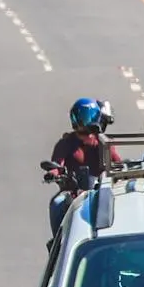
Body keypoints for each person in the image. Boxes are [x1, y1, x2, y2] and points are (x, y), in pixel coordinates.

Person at [47, 98, 120, 232]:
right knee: (57, 203)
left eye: (89, 117)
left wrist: (120, 170)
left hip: (102, 190)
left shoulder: (103, 142)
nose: (84, 122)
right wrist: (52, 173)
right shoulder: (66, 143)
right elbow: (57, 165)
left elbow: (117, 163)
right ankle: (57, 246)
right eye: (82, 118)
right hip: (74, 192)